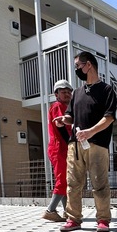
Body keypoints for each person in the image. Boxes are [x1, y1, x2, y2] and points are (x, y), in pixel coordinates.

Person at [54, 51, 117, 232]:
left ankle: (103, 219)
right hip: (75, 145)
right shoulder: (77, 93)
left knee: (100, 183)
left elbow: (109, 117)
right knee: (73, 183)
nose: (76, 70)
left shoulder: (106, 90)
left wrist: (90, 132)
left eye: (78, 66)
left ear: (88, 65)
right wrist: (63, 120)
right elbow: (71, 116)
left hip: (97, 144)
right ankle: (73, 219)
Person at [42, 79, 73, 222]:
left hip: (60, 147)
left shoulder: (63, 106)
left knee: (65, 180)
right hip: (59, 147)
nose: (67, 94)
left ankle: (68, 212)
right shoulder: (58, 106)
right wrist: (72, 142)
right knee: (62, 180)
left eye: (69, 92)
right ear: (56, 94)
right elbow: (61, 127)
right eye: (63, 92)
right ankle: (50, 210)